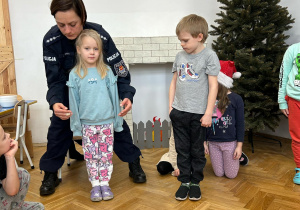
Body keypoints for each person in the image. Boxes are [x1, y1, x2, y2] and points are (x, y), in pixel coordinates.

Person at [40, 0, 146, 196]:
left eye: (72, 24)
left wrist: (126, 95)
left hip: (102, 98)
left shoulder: (99, 36)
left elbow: (119, 70)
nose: (67, 30)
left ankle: (134, 163)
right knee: (57, 131)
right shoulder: (51, 41)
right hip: (69, 95)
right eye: (61, 24)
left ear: (83, 17)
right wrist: (55, 102)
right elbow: (54, 80)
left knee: (119, 128)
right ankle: (50, 173)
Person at [67, 29, 122, 201]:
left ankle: (105, 183)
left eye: (96, 49)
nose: (92, 52)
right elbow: (73, 102)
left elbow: (114, 97)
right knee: (91, 156)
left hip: (107, 123)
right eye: (87, 48)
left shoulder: (106, 71)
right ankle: (95, 185)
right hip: (86, 125)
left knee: (105, 155)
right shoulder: (75, 74)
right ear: (78, 50)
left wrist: (117, 121)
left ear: (100, 51)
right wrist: (75, 126)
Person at [169, 14, 220, 201]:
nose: (182, 44)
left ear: (199, 36)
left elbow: (213, 86)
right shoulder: (180, 56)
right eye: (180, 40)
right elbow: (174, 82)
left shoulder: (209, 56)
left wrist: (208, 113)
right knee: (182, 149)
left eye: (185, 40)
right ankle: (184, 182)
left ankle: (196, 182)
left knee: (197, 150)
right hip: (179, 112)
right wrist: (170, 107)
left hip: (199, 114)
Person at [204, 60, 245, 179]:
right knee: (219, 174)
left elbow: (240, 124)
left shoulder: (236, 99)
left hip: (230, 143)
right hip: (213, 143)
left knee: (231, 175)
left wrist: (239, 146)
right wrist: (204, 142)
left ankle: (241, 156)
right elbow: (204, 121)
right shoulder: (209, 98)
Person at [0, 125, 44, 209]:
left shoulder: (2, 158)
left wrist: (10, 157)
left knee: (22, 174)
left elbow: (12, 190)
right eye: (4, 137)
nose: (8, 135)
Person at [278, 42, 300, 185]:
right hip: (295, 100)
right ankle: (299, 167)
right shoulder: (293, 49)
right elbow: (283, 76)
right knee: (298, 137)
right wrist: (282, 101)